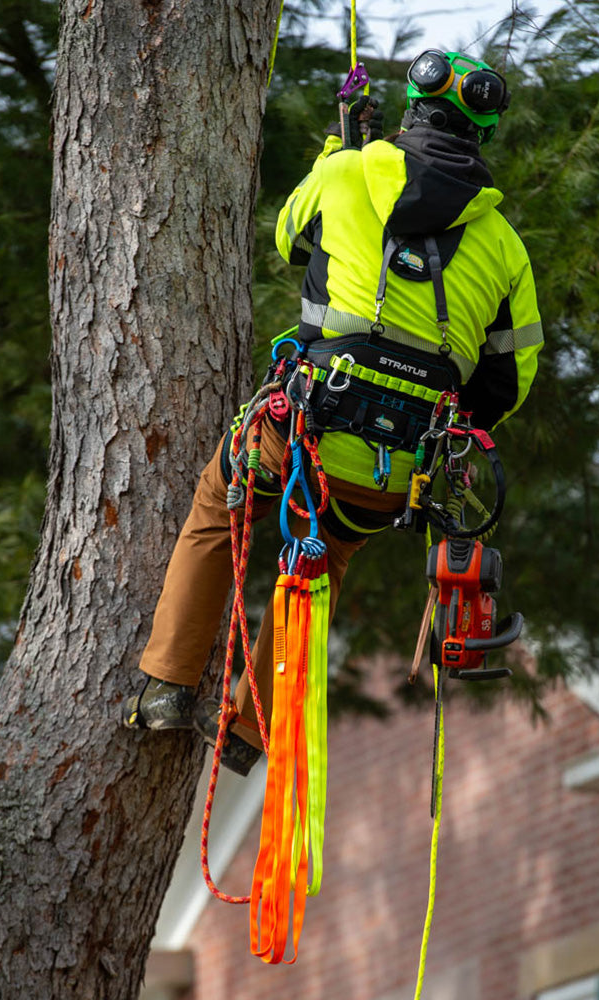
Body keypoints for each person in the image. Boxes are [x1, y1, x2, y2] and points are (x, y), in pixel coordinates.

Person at [123, 49, 544, 776]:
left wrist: (336, 152)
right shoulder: (505, 246)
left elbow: (290, 239)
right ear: (485, 131)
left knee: (219, 513)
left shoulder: (347, 171)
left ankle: (165, 686)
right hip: (391, 472)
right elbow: (509, 384)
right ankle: (251, 735)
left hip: (299, 435)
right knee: (328, 557)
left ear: (413, 110)